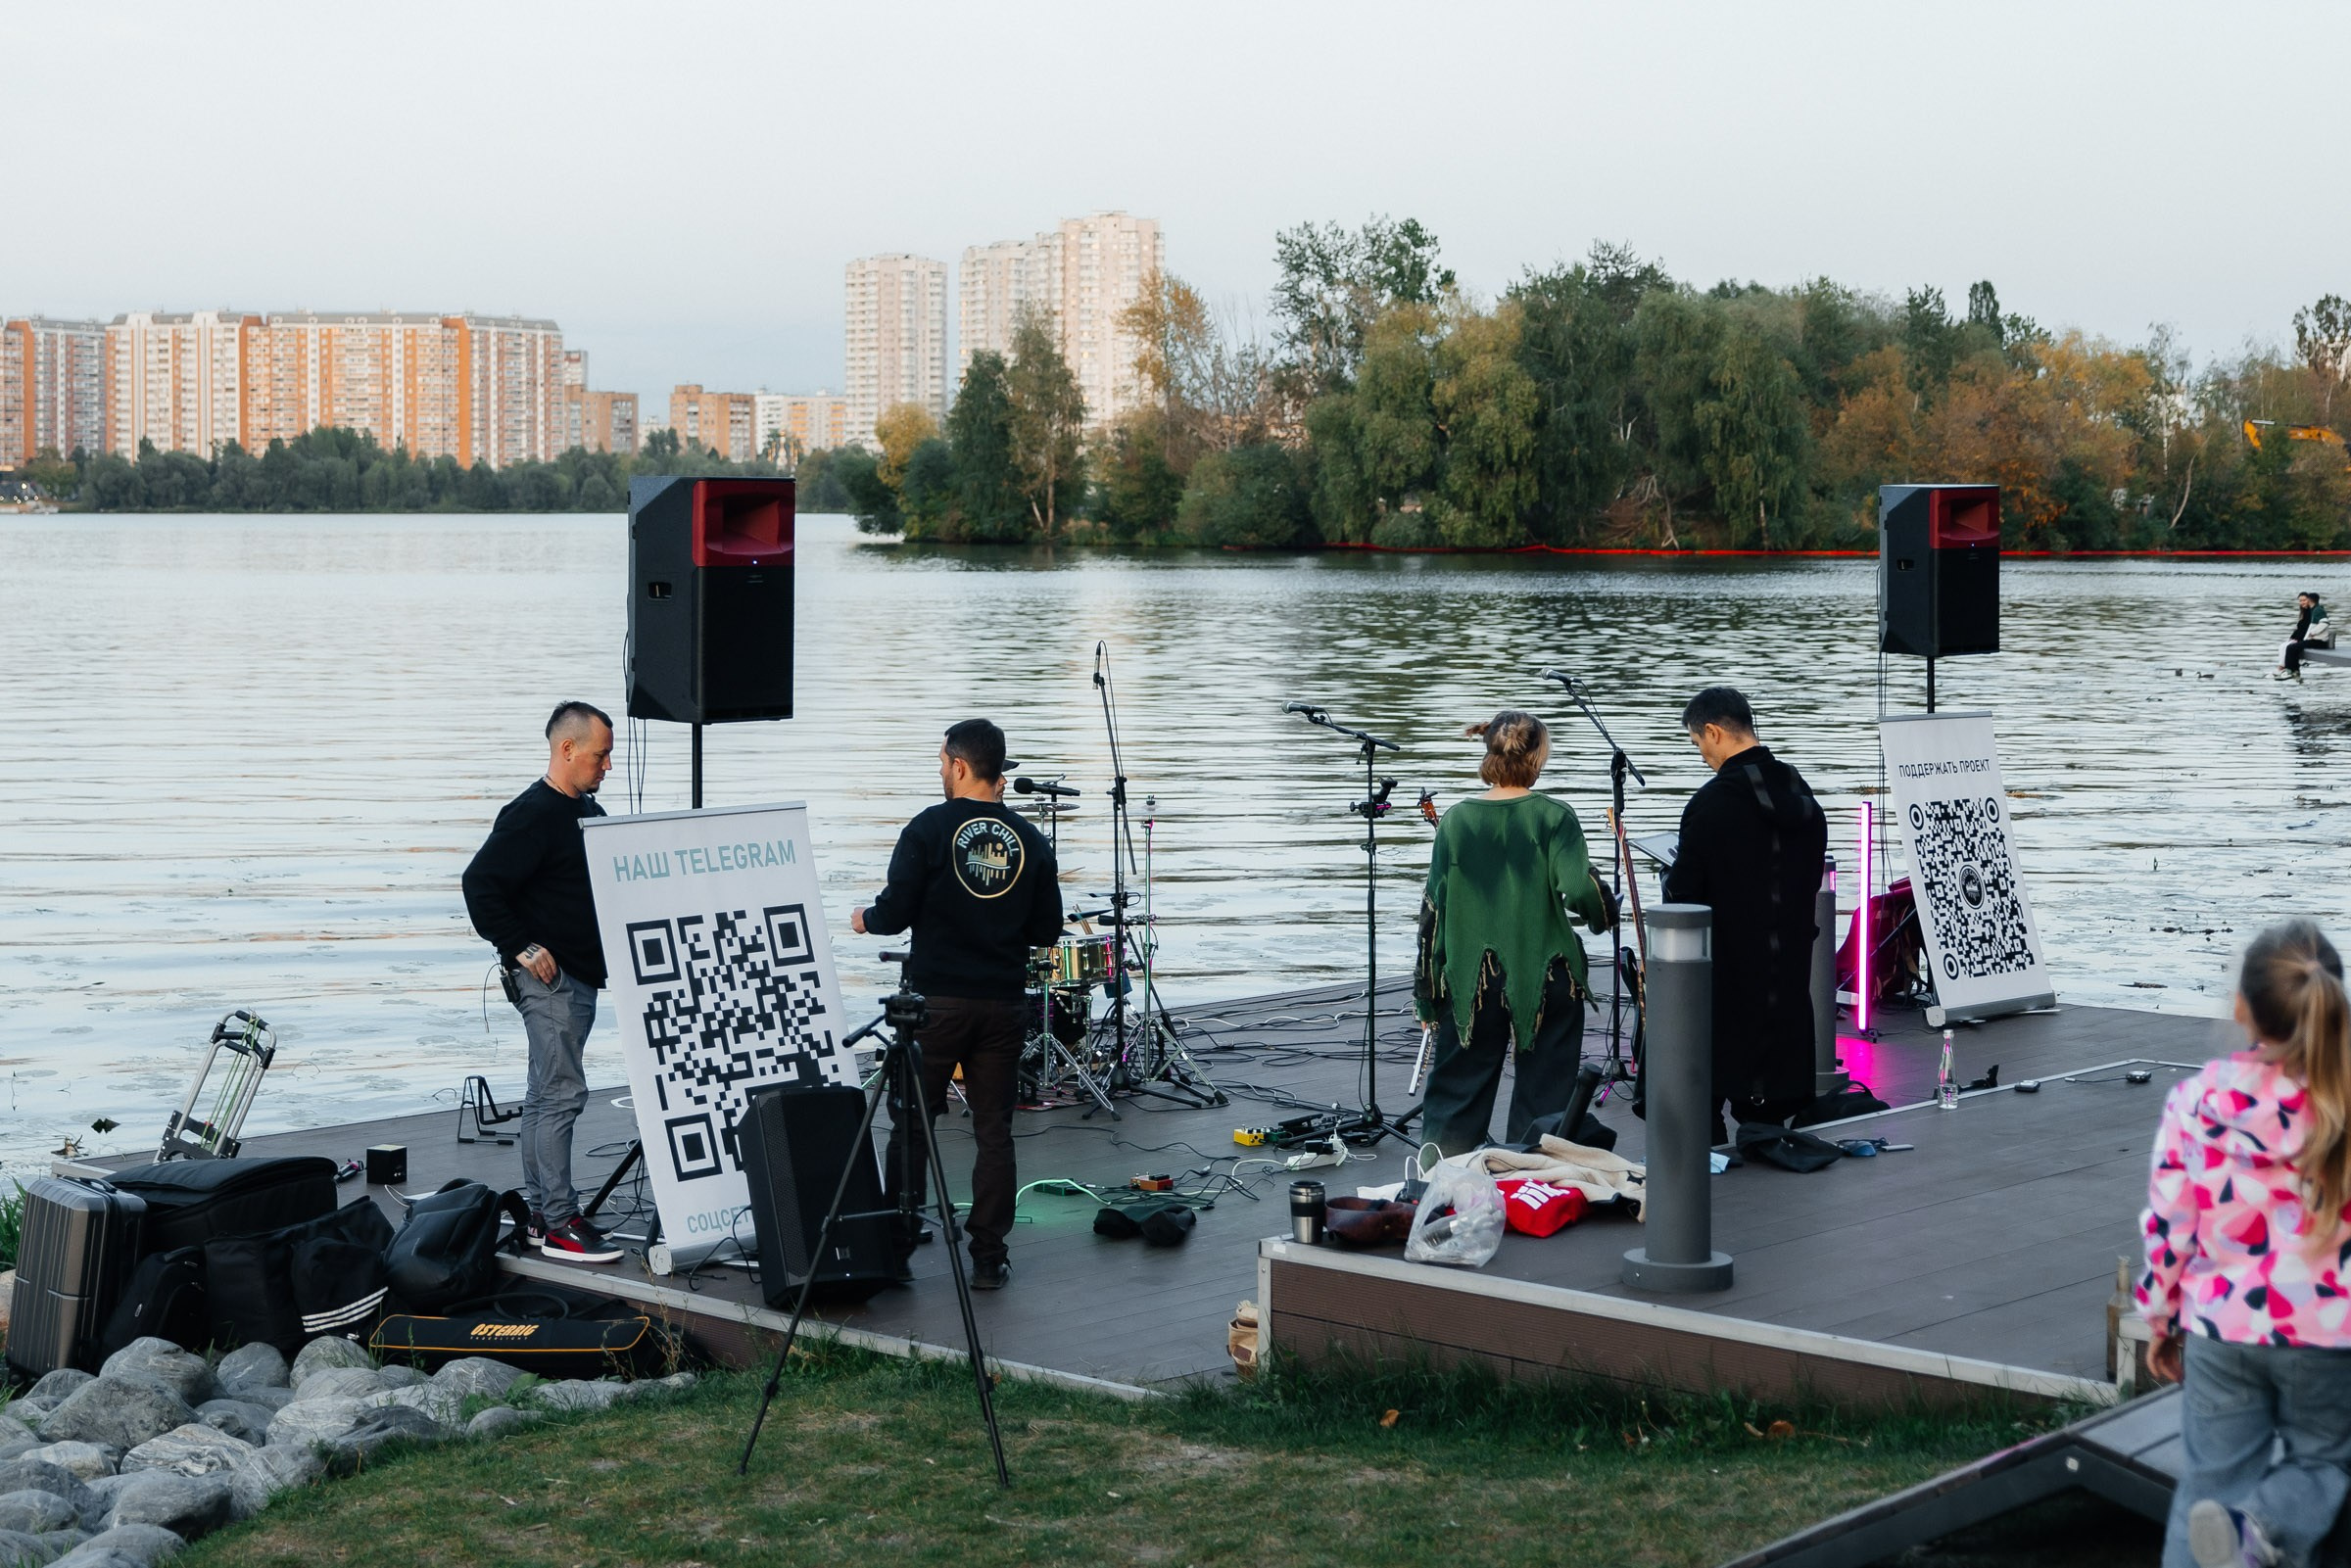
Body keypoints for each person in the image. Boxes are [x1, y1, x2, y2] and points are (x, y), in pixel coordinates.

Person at [2139, 920, 2351, 1568]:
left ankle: (2235, 1534)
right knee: (2327, 1460)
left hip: (2221, 1327)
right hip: (2330, 1332)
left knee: (2208, 1484)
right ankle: (2265, 1524)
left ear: (2242, 1006)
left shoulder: (2196, 1101)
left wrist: (2161, 1318)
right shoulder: (2341, 1100)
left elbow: (2169, 1223)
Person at [847, 719, 1062, 1291]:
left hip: (936, 1004)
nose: (940, 772)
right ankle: (988, 1257)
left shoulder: (928, 829)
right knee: (994, 1130)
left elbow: (893, 914)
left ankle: (896, 1250)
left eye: (943, 763)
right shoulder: (1032, 842)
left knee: (913, 1124)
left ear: (961, 766)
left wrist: (864, 919)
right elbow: (1046, 930)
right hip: (1002, 1005)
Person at [460, 701, 622, 1264]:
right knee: (561, 1095)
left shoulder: (588, 811)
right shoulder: (531, 813)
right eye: (601, 755)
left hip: (581, 974)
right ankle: (557, 1221)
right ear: (567, 749)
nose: (608, 766)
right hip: (551, 982)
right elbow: (479, 883)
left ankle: (539, 1216)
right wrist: (520, 946)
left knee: (541, 1097)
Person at [1413, 710, 1615, 1157]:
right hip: (1548, 979)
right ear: (1538, 757)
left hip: (1472, 985)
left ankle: (1442, 1184)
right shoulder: (1555, 817)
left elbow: (1432, 914)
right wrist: (1603, 918)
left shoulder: (1456, 821)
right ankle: (1533, 1186)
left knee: (1456, 1092)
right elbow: (1580, 887)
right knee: (1546, 1095)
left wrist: (1426, 995)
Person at [1662, 687, 1828, 1142]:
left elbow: (1684, 896)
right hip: (1787, 966)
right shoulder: (1801, 793)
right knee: (1768, 1102)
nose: (1701, 756)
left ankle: (1708, 1147)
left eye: (1698, 743)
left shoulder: (1711, 803)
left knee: (1700, 1074)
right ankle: (1766, 1132)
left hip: (1727, 974)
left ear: (1714, 732)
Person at [2275, 591, 2332, 681]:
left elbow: (2325, 623)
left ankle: (2291, 671)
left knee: (2291, 648)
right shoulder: (2314, 610)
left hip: (2319, 641)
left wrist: (2313, 632)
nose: (2303, 602)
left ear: (2310, 600)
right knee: (2291, 647)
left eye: (2306, 600)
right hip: (2314, 640)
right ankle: (2293, 671)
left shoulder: (2318, 610)